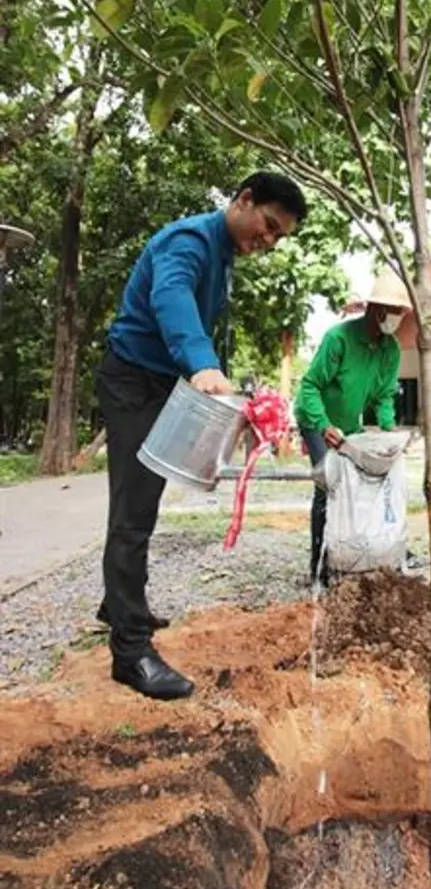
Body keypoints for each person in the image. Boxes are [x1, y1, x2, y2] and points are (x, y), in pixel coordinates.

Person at [97, 172, 308, 701]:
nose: (268, 241)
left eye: (279, 237)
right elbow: (172, 300)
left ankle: (119, 604)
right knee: (133, 512)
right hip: (132, 382)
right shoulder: (188, 241)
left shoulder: (224, 254)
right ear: (243, 200)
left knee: (145, 497)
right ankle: (131, 651)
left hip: (159, 384)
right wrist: (202, 364)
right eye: (268, 225)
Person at [294, 268, 411, 584]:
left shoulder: (390, 349)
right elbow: (309, 386)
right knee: (328, 483)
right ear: (376, 309)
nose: (398, 316)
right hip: (315, 419)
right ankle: (318, 568)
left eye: (402, 311)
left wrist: (388, 433)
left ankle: (356, 553)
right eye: (395, 310)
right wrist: (322, 425)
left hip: (349, 426)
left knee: (363, 482)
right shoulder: (339, 339)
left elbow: (384, 396)